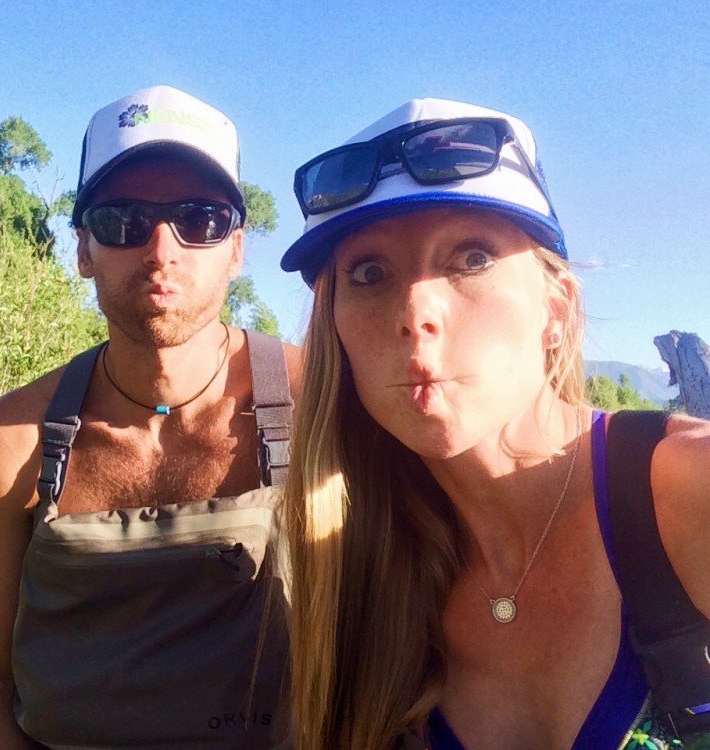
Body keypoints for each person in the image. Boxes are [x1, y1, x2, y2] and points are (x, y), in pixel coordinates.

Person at [279, 97, 710, 749]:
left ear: (556, 307)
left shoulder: (689, 492)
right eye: (369, 273)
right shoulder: (360, 581)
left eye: (472, 257)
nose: (414, 310)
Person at [0, 85, 300, 750]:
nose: (162, 248)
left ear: (236, 248)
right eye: (123, 220)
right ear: (83, 249)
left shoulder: (324, 411)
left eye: (199, 219)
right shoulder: (13, 440)